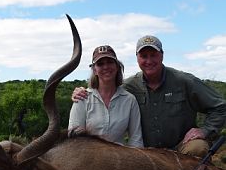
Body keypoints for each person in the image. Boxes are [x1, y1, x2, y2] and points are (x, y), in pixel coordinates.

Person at [72, 36, 226, 157]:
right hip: (148, 153)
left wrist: (205, 131)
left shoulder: (184, 81)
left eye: (153, 55)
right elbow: (106, 88)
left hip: (182, 148)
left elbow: (220, 107)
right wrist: (80, 92)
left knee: (198, 148)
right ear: (137, 58)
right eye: (144, 56)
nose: (149, 61)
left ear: (162, 56)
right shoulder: (128, 87)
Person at [69, 45, 144, 147]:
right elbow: (74, 139)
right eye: (100, 64)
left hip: (120, 158)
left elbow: (136, 139)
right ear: (95, 70)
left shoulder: (129, 100)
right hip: (88, 158)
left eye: (110, 62)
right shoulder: (82, 98)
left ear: (117, 67)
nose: (106, 67)